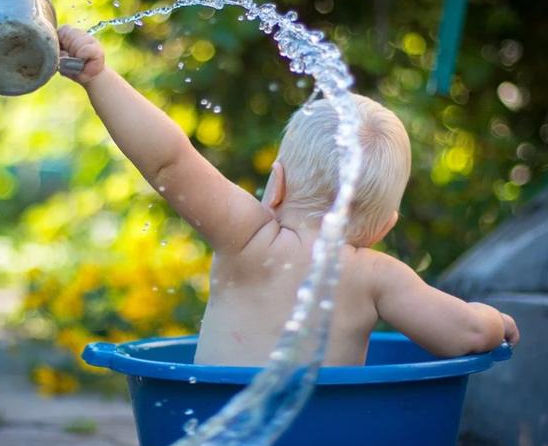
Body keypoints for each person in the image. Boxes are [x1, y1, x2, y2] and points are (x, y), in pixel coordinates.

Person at [58, 26, 520, 367]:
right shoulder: (377, 276)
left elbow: (169, 161)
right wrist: (496, 321)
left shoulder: (248, 238)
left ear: (275, 184)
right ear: (385, 227)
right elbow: (465, 333)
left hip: (217, 431)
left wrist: (99, 77)